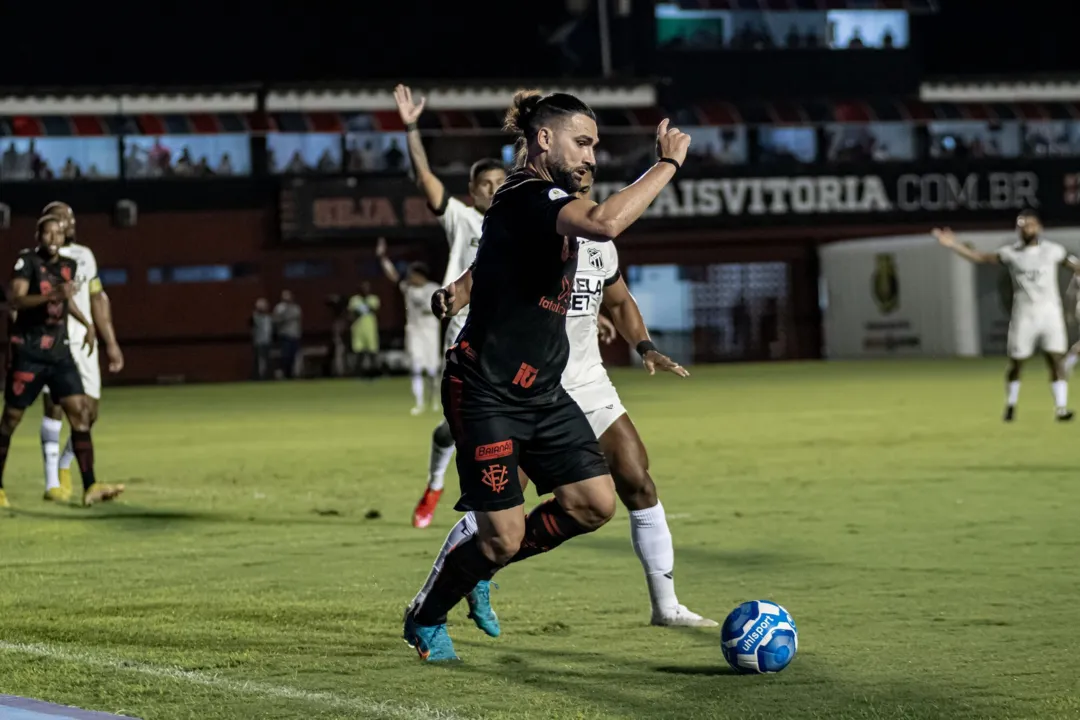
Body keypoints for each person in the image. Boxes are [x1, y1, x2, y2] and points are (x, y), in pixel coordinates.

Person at [402, 89, 690, 661]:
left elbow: (501, 265)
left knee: (594, 503)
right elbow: (607, 223)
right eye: (582, 143)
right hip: (485, 388)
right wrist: (667, 163)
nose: (591, 156)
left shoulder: (538, 204)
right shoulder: (529, 195)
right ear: (543, 140)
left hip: (544, 387)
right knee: (503, 534)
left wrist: (461, 288)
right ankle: (427, 615)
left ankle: (486, 559)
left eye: (596, 146)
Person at [393, 84, 507, 526]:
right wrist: (411, 128)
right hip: (466, 331)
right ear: (472, 192)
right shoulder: (463, 219)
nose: (494, 190)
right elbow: (425, 178)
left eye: (501, 183)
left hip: (515, 335)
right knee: (459, 430)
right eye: (486, 185)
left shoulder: (523, 223)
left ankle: (497, 503)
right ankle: (438, 486)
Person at [0, 215, 124, 508]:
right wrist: (54, 293)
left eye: (59, 233)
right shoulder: (27, 262)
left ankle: (90, 485)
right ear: (38, 236)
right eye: (48, 233)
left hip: (59, 354)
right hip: (30, 354)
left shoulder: (67, 267)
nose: (54, 238)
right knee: (10, 421)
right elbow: (16, 300)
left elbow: (64, 303)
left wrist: (87, 323)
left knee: (80, 415)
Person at [935, 209, 1078, 421]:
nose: (1026, 229)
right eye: (1022, 226)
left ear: (1038, 227)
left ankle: (1061, 408)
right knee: (1017, 363)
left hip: (1051, 315)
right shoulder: (1011, 253)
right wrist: (953, 245)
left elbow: (1075, 266)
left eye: (1030, 225)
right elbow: (980, 257)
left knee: (1055, 360)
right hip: (1024, 315)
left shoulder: (1053, 251)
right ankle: (1011, 405)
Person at [37, 202, 124, 503]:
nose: (70, 223)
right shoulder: (41, 259)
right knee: (56, 408)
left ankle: (64, 465)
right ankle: (53, 481)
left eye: (72, 218)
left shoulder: (85, 256)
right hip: (56, 343)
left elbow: (97, 298)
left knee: (90, 412)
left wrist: (110, 342)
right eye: (63, 218)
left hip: (86, 344)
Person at [375, 237, 442, 415]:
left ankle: (435, 400)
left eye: (413, 274)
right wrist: (383, 258)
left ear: (420, 275)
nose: (409, 277)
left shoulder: (434, 288)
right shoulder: (408, 288)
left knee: (432, 368)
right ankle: (419, 402)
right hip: (414, 331)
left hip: (430, 330)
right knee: (416, 366)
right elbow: (393, 276)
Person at [348, 282, 381, 378]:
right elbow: (352, 313)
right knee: (359, 352)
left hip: (370, 329)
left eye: (367, 288)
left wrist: (364, 307)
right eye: (363, 288)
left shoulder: (373, 299)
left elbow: (375, 310)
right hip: (358, 329)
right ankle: (358, 374)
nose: (365, 290)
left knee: (372, 351)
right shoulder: (354, 300)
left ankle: (374, 373)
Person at [273, 290, 302, 379]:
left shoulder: (296, 308)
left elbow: (299, 321)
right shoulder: (280, 308)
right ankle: (284, 374)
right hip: (285, 335)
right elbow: (276, 320)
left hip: (295, 335)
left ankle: (292, 374)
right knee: (286, 356)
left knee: (294, 356)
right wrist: (286, 317)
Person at [251, 298, 273, 380]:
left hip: (268, 341)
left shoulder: (269, 318)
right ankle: (259, 377)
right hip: (259, 342)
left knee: (267, 360)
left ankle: (267, 376)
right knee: (259, 361)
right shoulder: (255, 317)